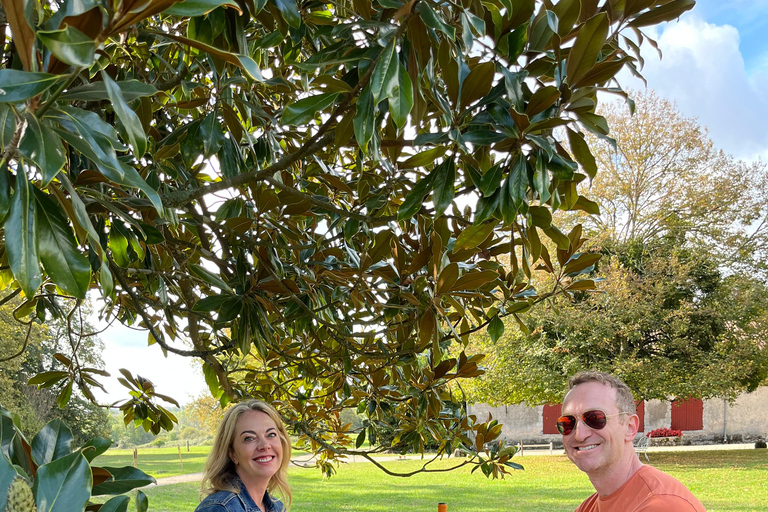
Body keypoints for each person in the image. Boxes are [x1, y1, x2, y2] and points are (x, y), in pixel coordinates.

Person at [559, 371, 706, 511]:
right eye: (568, 422)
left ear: (630, 427)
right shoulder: (589, 507)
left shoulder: (662, 504)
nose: (579, 434)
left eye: (595, 418)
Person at [195, 400, 292, 512]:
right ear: (232, 453)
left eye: (271, 434)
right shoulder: (219, 509)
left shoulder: (277, 507)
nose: (265, 445)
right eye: (249, 438)